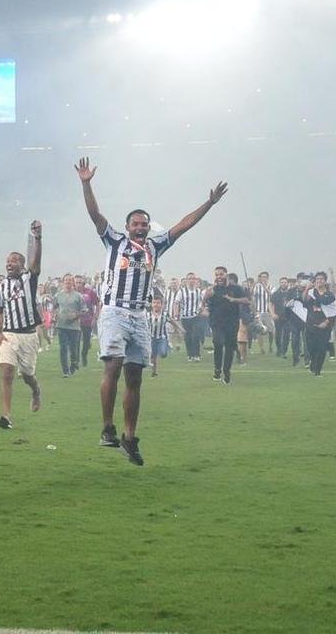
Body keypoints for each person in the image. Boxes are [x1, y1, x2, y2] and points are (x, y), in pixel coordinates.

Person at [75, 156, 227, 465]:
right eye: (136, 224)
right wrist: (87, 184)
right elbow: (95, 215)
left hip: (140, 316)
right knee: (113, 365)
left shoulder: (155, 247)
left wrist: (208, 204)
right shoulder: (114, 240)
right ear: (128, 226)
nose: (141, 228)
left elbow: (183, 226)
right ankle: (107, 428)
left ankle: (130, 438)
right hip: (115, 312)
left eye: (145, 224)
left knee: (135, 377)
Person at [0, 221, 45, 430]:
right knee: (6, 372)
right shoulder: (1, 287)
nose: (9, 263)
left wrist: (38, 239)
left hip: (29, 336)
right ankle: (6, 415)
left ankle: (36, 390)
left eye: (14, 260)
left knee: (28, 376)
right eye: (7, 261)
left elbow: (36, 263)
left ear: (22, 265)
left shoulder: (28, 279)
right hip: (9, 335)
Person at [204, 268, 246, 384]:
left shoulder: (236, 288)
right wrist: (206, 296)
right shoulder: (213, 289)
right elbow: (203, 303)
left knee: (230, 347)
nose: (219, 277)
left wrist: (233, 299)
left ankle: (226, 371)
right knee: (218, 343)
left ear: (226, 274)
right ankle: (217, 369)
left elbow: (247, 300)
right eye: (217, 275)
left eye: (221, 274)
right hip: (216, 322)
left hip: (232, 322)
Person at [301, 272, 336, 376]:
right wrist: (307, 289)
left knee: (321, 348)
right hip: (311, 324)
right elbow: (304, 300)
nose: (319, 281)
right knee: (311, 348)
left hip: (324, 326)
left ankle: (318, 371)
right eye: (317, 279)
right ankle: (313, 362)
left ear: (325, 281)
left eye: (321, 279)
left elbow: (333, 311)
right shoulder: (311, 293)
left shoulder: (329, 295)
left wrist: (326, 322)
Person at [53, 274, 85, 377]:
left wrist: (76, 315)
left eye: (70, 281)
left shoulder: (78, 296)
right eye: (66, 280)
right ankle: (65, 371)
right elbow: (54, 307)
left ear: (73, 283)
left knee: (73, 348)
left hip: (74, 327)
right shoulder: (58, 295)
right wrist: (55, 315)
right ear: (63, 282)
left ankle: (74, 364)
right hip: (61, 325)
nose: (68, 282)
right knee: (63, 348)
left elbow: (84, 309)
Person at [175, 273, 206, 363]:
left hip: (196, 316)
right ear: (187, 280)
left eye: (193, 278)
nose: (192, 280)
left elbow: (203, 302)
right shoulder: (182, 291)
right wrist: (176, 315)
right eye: (190, 279)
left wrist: (202, 310)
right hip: (185, 317)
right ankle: (190, 354)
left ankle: (196, 355)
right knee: (187, 337)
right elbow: (176, 303)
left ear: (196, 280)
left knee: (195, 335)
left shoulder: (199, 291)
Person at [76, 274, 100, 365]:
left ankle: (84, 355)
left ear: (83, 283)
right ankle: (76, 359)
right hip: (75, 321)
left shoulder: (90, 292)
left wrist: (95, 317)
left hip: (87, 320)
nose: (78, 284)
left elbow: (97, 303)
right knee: (76, 341)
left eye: (80, 282)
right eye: (76, 282)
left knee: (86, 341)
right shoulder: (72, 293)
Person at [148, 295, 170, 377]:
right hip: (151, 338)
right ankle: (154, 372)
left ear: (162, 304)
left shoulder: (164, 314)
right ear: (151, 304)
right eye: (154, 302)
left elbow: (173, 322)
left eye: (158, 303)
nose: (156, 305)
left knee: (163, 354)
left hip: (162, 337)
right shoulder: (148, 315)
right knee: (153, 355)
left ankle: (166, 347)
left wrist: (180, 329)